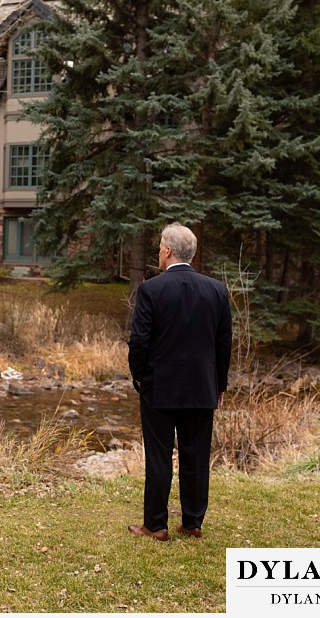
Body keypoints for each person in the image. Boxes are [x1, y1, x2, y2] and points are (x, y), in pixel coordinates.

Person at [127, 223, 232, 542]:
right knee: (196, 455)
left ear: (169, 251)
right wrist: (220, 384)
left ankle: (156, 525)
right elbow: (223, 342)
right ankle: (193, 522)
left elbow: (139, 341)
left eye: (160, 247)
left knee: (159, 455)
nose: (158, 252)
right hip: (202, 385)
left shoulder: (151, 289)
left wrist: (139, 375)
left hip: (160, 385)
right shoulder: (216, 290)